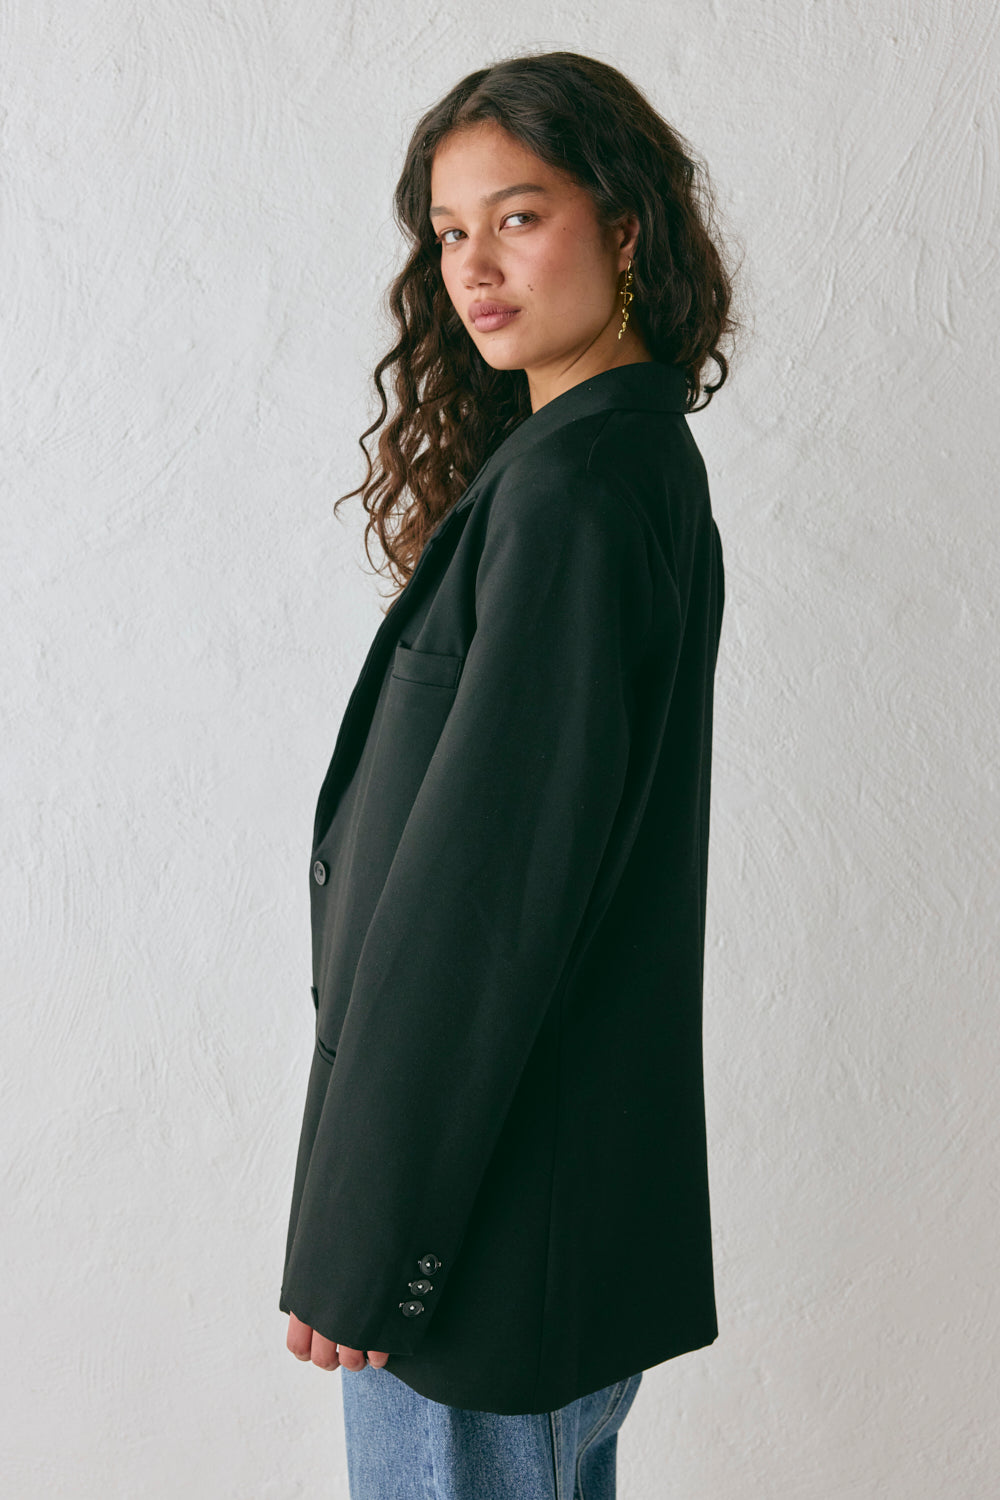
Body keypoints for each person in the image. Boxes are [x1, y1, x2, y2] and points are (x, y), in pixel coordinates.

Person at [280, 49, 739, 1500]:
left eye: (519, 217)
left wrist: (370, 1248)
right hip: (513, 1216)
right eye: (449, 231)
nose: (473, 266)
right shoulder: (597, 465)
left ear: (626, 227)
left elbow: (486, 903)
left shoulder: (580, 495)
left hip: (481, 1240)